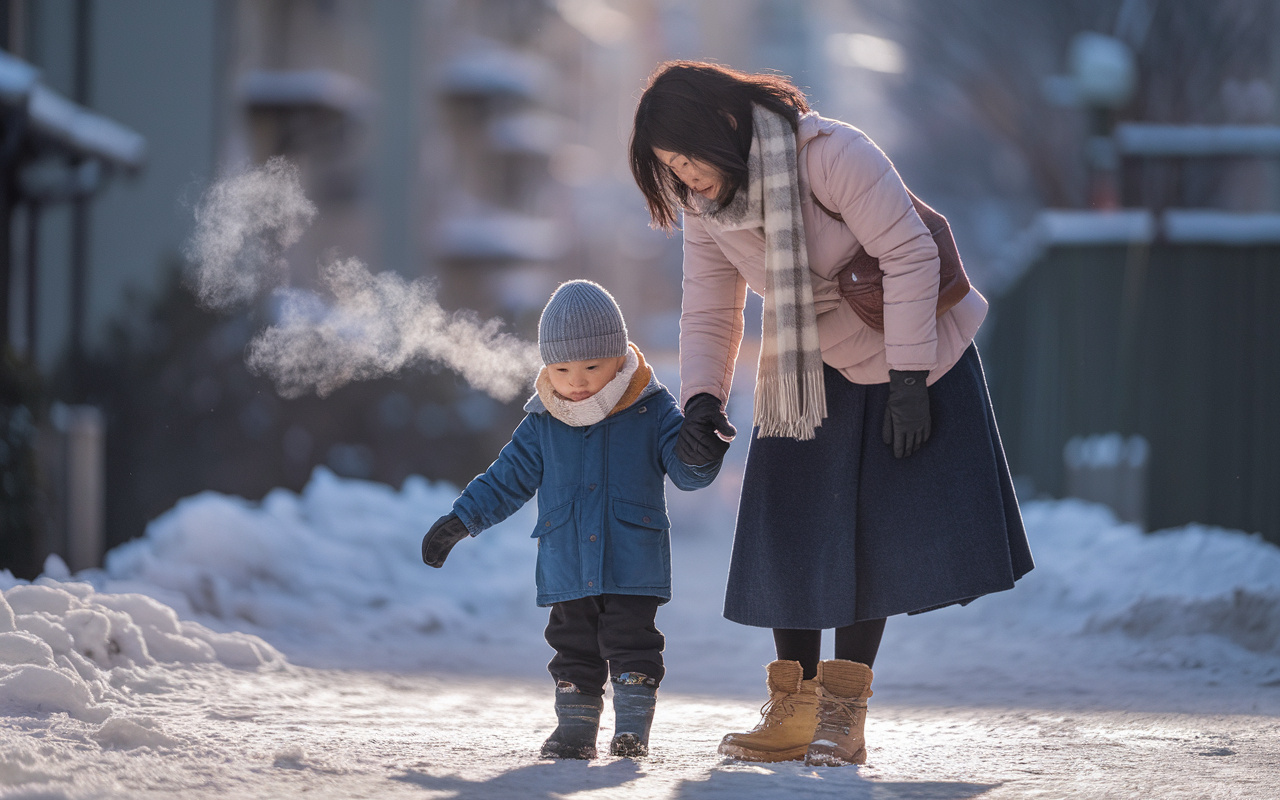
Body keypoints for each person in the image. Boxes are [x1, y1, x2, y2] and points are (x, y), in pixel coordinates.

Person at [628, 61, 1034, 767]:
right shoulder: (707, 210)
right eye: (670, 168)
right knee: (788, 521)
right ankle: (794, 709)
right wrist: (702, 402)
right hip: (805, 363)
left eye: (687, 158)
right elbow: (711, 306)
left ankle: (843, 715)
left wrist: (908, 378)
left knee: (867, 532)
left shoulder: (834, 155)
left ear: (724, 126)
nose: (685, 177)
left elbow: (909, 256)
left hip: (905, 351)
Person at [420, 279, 724, 760]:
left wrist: (701, 452)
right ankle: (576, 731)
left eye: (592, 367)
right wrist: (461, 520)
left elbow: (687, 474)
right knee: (571, 647)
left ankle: (631, 729)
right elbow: (506, 479)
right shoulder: (543, 421)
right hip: (566, 562)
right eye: (562, 368)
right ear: (546, 367)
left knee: (633, 644)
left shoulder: (651, 408)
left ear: (620, 358)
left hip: (632, 563)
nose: (576, 381)